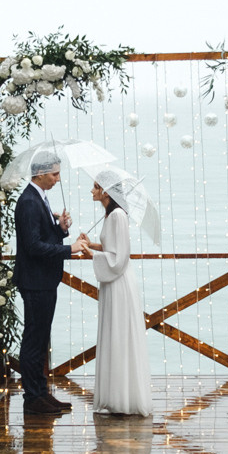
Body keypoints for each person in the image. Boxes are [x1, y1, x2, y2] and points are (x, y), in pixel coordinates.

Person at [12, 151, 89, 416]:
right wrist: (70, 249)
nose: (58, 179)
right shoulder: (29, 202)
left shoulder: (40, 199)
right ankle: (33, 398)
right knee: (34, 339)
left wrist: (61, 228)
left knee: (41, 337)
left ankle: (42, 393)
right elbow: (33, 247)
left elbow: (44, 238)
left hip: (44, 280)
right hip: (35, 281)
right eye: (55, 174)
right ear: (40, 174)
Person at [86, 172, 152, 417]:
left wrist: (88, 255)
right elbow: (111, 247)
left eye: (95, 187)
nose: (91, 191)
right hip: (112, 281)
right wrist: (92, 245)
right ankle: (115, 396)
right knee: (114, 334)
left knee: (119, 334)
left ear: (106, 191)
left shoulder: (117, 215)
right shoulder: (110, 215)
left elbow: (119, 258)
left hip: (118, 281)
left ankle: (123, 398)